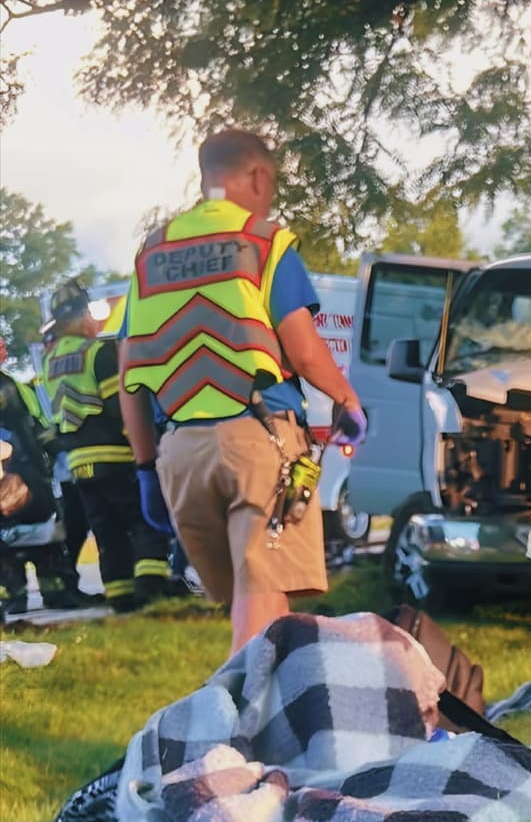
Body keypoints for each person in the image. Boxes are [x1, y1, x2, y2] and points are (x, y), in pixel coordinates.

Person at [119, 128, 366, 653]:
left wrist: (146, 470)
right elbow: (302, 349)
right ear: (258, 175)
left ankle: (267, 720)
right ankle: (237, 722)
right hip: (258, 440)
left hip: (180, 451)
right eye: (271, 183)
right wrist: (347, 399)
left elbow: (129, 375)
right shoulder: (262, 241)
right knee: (257, 611)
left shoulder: (152, 253)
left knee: (256, 602)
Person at [41, 281, 171, 611]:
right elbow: (120, 407)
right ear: (81, 316)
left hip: (79, 464)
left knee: (107, 533)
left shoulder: (51, 360)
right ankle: (151, 588)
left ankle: (120, 597)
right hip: (115, 455)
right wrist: (145, 445)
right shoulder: (97, 352)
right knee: (144, 519)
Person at [0, 336, 85, 615]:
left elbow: (32, 425)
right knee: (23, 537)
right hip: (17, 471)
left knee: (33, 534)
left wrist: (57, 446)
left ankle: (29, 594)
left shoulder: (12, 384)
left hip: (26, 469)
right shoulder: (7, 386)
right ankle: (36, 593)